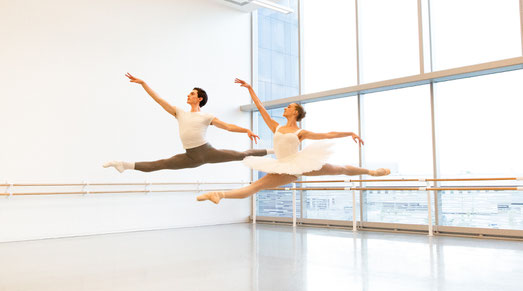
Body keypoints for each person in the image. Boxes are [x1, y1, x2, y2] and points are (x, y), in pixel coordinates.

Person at [196, 78, 390, 204]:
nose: (285, 108)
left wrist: (349, 133)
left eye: (289, 106)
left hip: (301, 162)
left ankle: (372, 171)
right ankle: (219, 194)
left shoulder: (301, 132)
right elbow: (261, 108)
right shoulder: (276, 126)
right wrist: (250, 89)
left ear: (295, 112)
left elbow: (327, 134)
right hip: (283, 167)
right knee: (256, 186)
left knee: (339, 168)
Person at [103, 73, 270, 173]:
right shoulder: (180, 113)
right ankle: (123, 165)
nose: (188, 96)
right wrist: (144, 84)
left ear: (199, 98)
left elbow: (227, 126)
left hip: (207, 152)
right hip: (190, 157)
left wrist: (246, 130)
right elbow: (159, 100)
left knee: (241, 155)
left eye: (192, 94)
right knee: (160, 164)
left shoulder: (206, 116)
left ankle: (271, 150)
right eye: (189, 94)